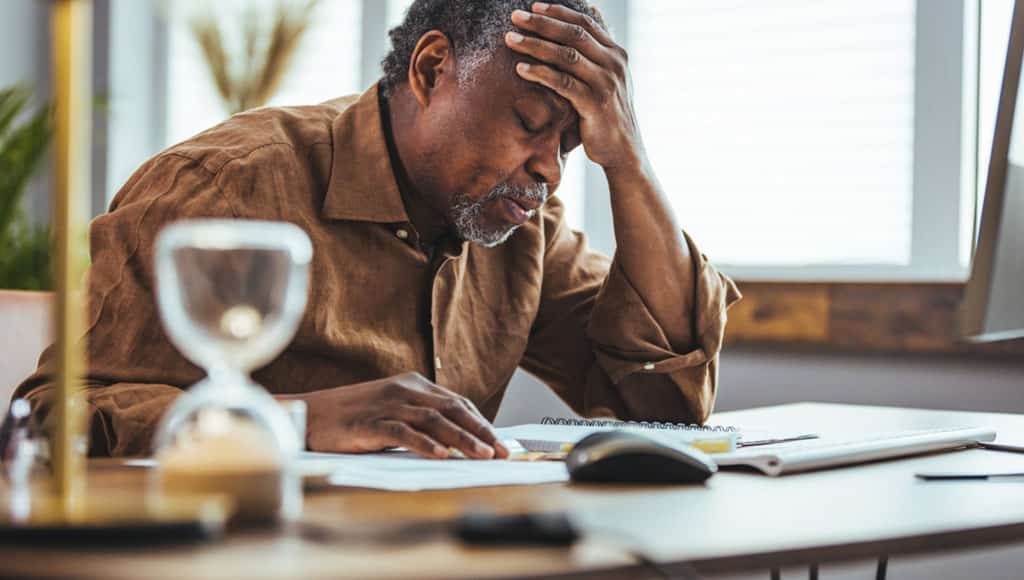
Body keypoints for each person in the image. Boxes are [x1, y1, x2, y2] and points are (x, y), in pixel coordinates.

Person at [14, 0, 740, 459]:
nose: (550, 170)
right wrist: (297, 422)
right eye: (529, 123)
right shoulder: (226, 186)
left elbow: (665, 407)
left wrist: (629, 161)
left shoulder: (523, 228)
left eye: (573, 145)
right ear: (432, 69)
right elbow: (52, 421)